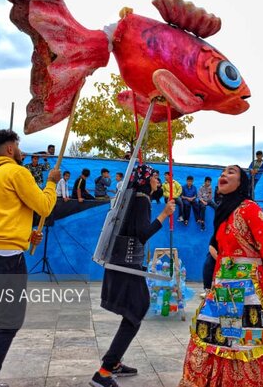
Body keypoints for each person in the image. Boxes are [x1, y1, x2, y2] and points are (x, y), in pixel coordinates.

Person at [180, 165, 263, 387]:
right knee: (214, 338)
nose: (223, 176)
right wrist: (214, 286)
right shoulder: (223, 212)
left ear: (241, 183)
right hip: (224, 288)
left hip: (250, 289)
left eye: (230, 172)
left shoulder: (250, 208)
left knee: (246, 343)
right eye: (222, 173)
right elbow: (221, 255)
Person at [0, 129, 59, 387]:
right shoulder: (17, 171)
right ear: (10, 149)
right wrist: (52, 182)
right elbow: (43, 206)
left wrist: (24, 235)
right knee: (9, 321)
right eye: (19, 147)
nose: (22, 152)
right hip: (6, 260)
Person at [91, 164, 174, 387]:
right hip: (126, 264)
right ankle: (104, 372)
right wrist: (164, 214)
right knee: (137, 310)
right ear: (146, 180)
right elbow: (142, 234)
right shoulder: (141, 199)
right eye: (155, 177)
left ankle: (113, 362)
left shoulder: (133, 196)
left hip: (122, 261)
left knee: (134, 311)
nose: (158, 180)